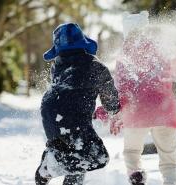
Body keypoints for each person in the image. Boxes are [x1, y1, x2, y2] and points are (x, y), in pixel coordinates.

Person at [95, 11, 176, 185]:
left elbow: (119, 91)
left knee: (131, 151)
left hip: (137, 114)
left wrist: (105, 113)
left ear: (127, 31)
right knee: (168, 156)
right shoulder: (161, 50)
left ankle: (135, 174)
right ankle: (171, 181)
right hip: (165, 112)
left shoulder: (124, 57)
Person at [35, 23, 120, 185]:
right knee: (98, 158)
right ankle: (49, 169)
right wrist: (115, 108)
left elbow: (69, 93)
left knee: (75, 158)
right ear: (83, 43)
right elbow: (111, 103)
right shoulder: (96, 66)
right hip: (74, 120)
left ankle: (52, 161)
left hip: (50, 115)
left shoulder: (57, 66)